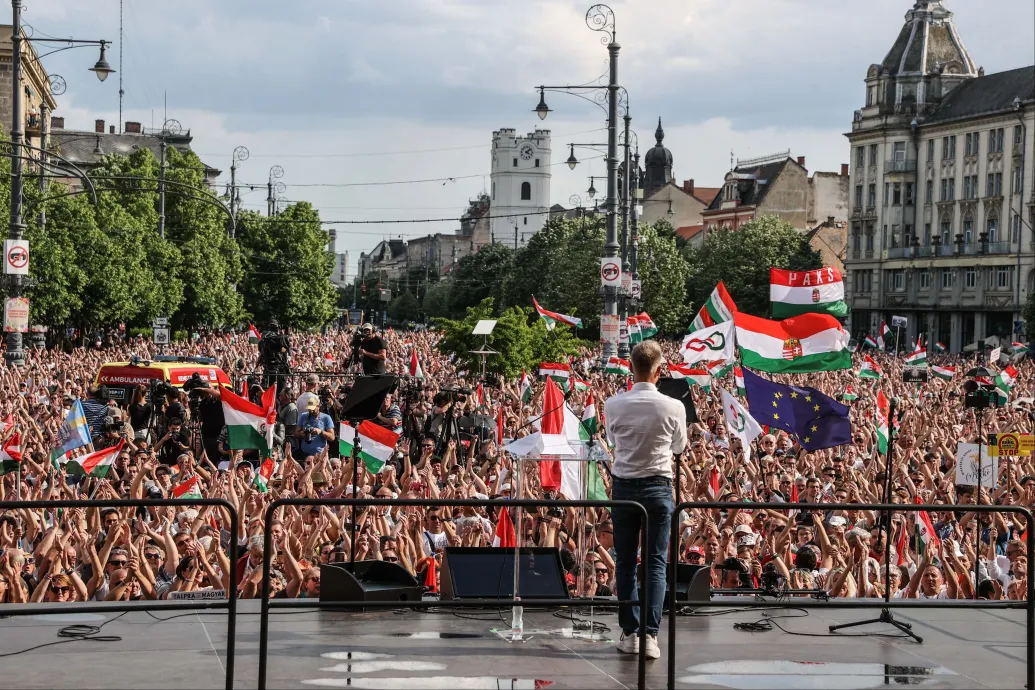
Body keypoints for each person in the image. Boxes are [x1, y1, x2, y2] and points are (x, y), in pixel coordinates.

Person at [603, 340, 687, 660]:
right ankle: (650, 636)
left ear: (630, 368)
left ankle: (630, 632)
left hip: (624, 487)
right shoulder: (674, 406)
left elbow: (612, 440)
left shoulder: (613, 403)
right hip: (658, 487)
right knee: (654, 563)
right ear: (659, 371)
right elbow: (679, 447)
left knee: (625, 562)